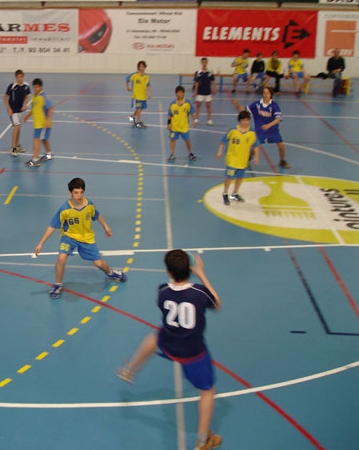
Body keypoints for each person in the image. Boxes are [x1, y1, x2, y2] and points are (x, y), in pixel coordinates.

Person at [116, 250, 222, 450]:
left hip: (170, 343)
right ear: (189, 270)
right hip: (193, 352)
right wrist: (203, 276)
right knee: (208, 391)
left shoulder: (162, 291)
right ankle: (202, 441)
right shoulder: (199, 293)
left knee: (156, 336)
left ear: (168, 272)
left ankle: (129, 369)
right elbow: (217, 304)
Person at [34, 177, 127, 299]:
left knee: (99, 263)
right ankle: (57, 285)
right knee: (61, 258)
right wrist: (41, 243)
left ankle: (111, 272)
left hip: (87, 238)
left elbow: (97, 215)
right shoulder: (64, 210)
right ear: (70, 193)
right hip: (69, 236)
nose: (79, 195)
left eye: (81, 192)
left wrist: (106, 226)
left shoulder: (89, 205)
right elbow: (52, 226)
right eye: (76, 192)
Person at [232, 86, 289, 168]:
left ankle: (282, 161)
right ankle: (247, 159)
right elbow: (244, 110)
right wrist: (238, 105)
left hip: (272, 131)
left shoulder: (274, 106)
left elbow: (278, 119)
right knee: (254, 148)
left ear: (271, 95)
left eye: (268, 93)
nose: (266, 95)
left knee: (281, 145)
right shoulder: (256, 104)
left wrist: (268, 125)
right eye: (264, 93)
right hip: (260, 131)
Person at [216, 110, 260, 205]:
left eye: (247, 120)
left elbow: (256, 145)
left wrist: (256, 156)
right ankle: (225, 193)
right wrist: (219, 151)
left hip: (243, 160)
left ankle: (235, 193)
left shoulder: (251, 132)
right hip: (232, 159)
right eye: (243, 120)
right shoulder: (233, 130)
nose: (245, 122)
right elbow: (223, 141)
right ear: (240, 120)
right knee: (229, 177)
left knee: (240, 177)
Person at [23, 78, 54, 167]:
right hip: (37, 123)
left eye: (37, 87)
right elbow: (34, 108)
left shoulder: (43, 96)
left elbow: (50, 108)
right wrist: (27, 116)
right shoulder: (34, 96)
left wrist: (47, 121)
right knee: (44, 140)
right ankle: (49, 154)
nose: (36, 89)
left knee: (36, 140)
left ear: (41, 87)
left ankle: (35, 159)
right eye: (34, 87)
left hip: (43, 124)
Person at [4, 69, 31, 156]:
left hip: (20, 109)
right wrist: (8, 108)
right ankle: (13, 148)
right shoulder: (12, 86)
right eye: (18, 77)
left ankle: (17, 145)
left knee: (19, 127)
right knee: (17, 126)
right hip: (13, 109)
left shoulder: (26, 86)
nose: (20, 78)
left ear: (23, 77)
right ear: (16, 77)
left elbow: (26, 96)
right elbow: (5, 97)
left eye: (21, 77)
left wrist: (25, 105)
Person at [167, 85, 197, 163]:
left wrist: (194, 121)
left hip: (184, 126)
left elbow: (192, 113)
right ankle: (172, 154)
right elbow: (169, 115)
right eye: (177, 93)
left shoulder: (187, 103)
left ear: (183, 93)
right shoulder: (173, 104)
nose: (179, 94)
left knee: (187, 140)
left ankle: (190, 153)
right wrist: (169, 124)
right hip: (174, 126)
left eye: (180, 93)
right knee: (172, 140)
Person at [126, 60, 152, 129]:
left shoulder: (146, 77)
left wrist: (149, 93)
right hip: (136, 96)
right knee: (139, 109)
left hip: (143, 96)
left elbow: (148, 85)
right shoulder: (135, 75)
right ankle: (139, 123)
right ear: (138, 68)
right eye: (140, 67)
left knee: (139, 109)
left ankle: (132, 116)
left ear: (145, 67)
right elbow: (127, 79)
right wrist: (128, 87)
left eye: (143, 67)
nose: (142, 68)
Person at [193, 57, 215, 127]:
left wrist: (214, 88)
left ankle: (209, 120)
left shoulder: (210, 72)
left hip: (208, 92)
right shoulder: (198, 72)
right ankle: (196, 119)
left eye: (205, 62)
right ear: (201, 63)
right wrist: (196, 91)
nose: (204, 64)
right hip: (200, 92)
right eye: (203, 62)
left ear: (207, 63)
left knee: (208, 106)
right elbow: (196, 82)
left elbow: (213, 81)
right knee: (198, 106)